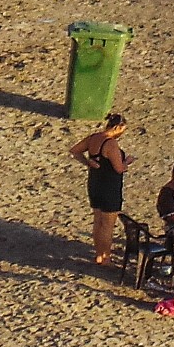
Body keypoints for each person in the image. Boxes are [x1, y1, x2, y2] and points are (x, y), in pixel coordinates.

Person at [68, 114, 130, 267]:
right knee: (108, 225)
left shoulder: (94, 138)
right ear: (117, 127)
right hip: (109, 186)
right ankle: (106, 257)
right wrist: (128, 161)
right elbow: (119, 168)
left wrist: (87, 163)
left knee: (98, 221)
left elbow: (75, 151)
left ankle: (98, 255)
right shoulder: (111, 144)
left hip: (95, 183)